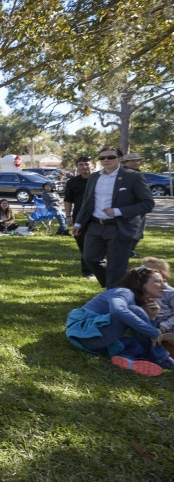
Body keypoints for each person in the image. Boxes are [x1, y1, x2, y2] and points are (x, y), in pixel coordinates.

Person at [65, 266, 174, 376]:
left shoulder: (139, 302)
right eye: (158, 281)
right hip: (86, 333)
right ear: (141, 283)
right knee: (135, 311)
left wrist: (152, 316)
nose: (163, 286)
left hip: (99, 340)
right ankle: (162, 358)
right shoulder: (123, 292)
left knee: (136, 342)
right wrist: (152, 331)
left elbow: (142, 336)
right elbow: (118, 310)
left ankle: (129, 358)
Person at [73, 147, 155, 289]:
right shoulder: (95, 177)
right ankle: (121, 287)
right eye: (102, 158)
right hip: (95, 225)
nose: (106, 160)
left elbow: (147, 204)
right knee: (90, 258)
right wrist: (79, 222)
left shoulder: (133, 177)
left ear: (120, 159)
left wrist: (118, 211)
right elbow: (87, 201)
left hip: (119, 226)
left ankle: (113, 296)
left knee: (116, 266)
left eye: (110, 157)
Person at [64, 156, 94, 278]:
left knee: (97, 243)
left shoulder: (99, 179)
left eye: (86, 164)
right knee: (83, 244)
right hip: (79, 217)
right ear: (77, 167)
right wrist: (68, 216)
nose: (84, 167)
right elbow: (68, 200)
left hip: (96, 216)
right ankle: (87, 271)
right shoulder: (72, 182)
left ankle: (99, 267)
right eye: (81, 165)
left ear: (92, 165)